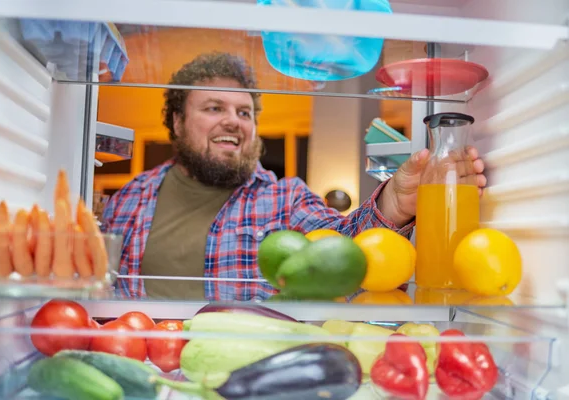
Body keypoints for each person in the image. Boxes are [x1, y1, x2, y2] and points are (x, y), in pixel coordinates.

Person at [102, 52, 486, 301]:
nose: (233, 121)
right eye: (214, 107)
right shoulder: (131, 197)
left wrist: (394, 203)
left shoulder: (284, 199)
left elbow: (345, 254)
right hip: (144, 368)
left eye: (244, 112)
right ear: (177, 120)